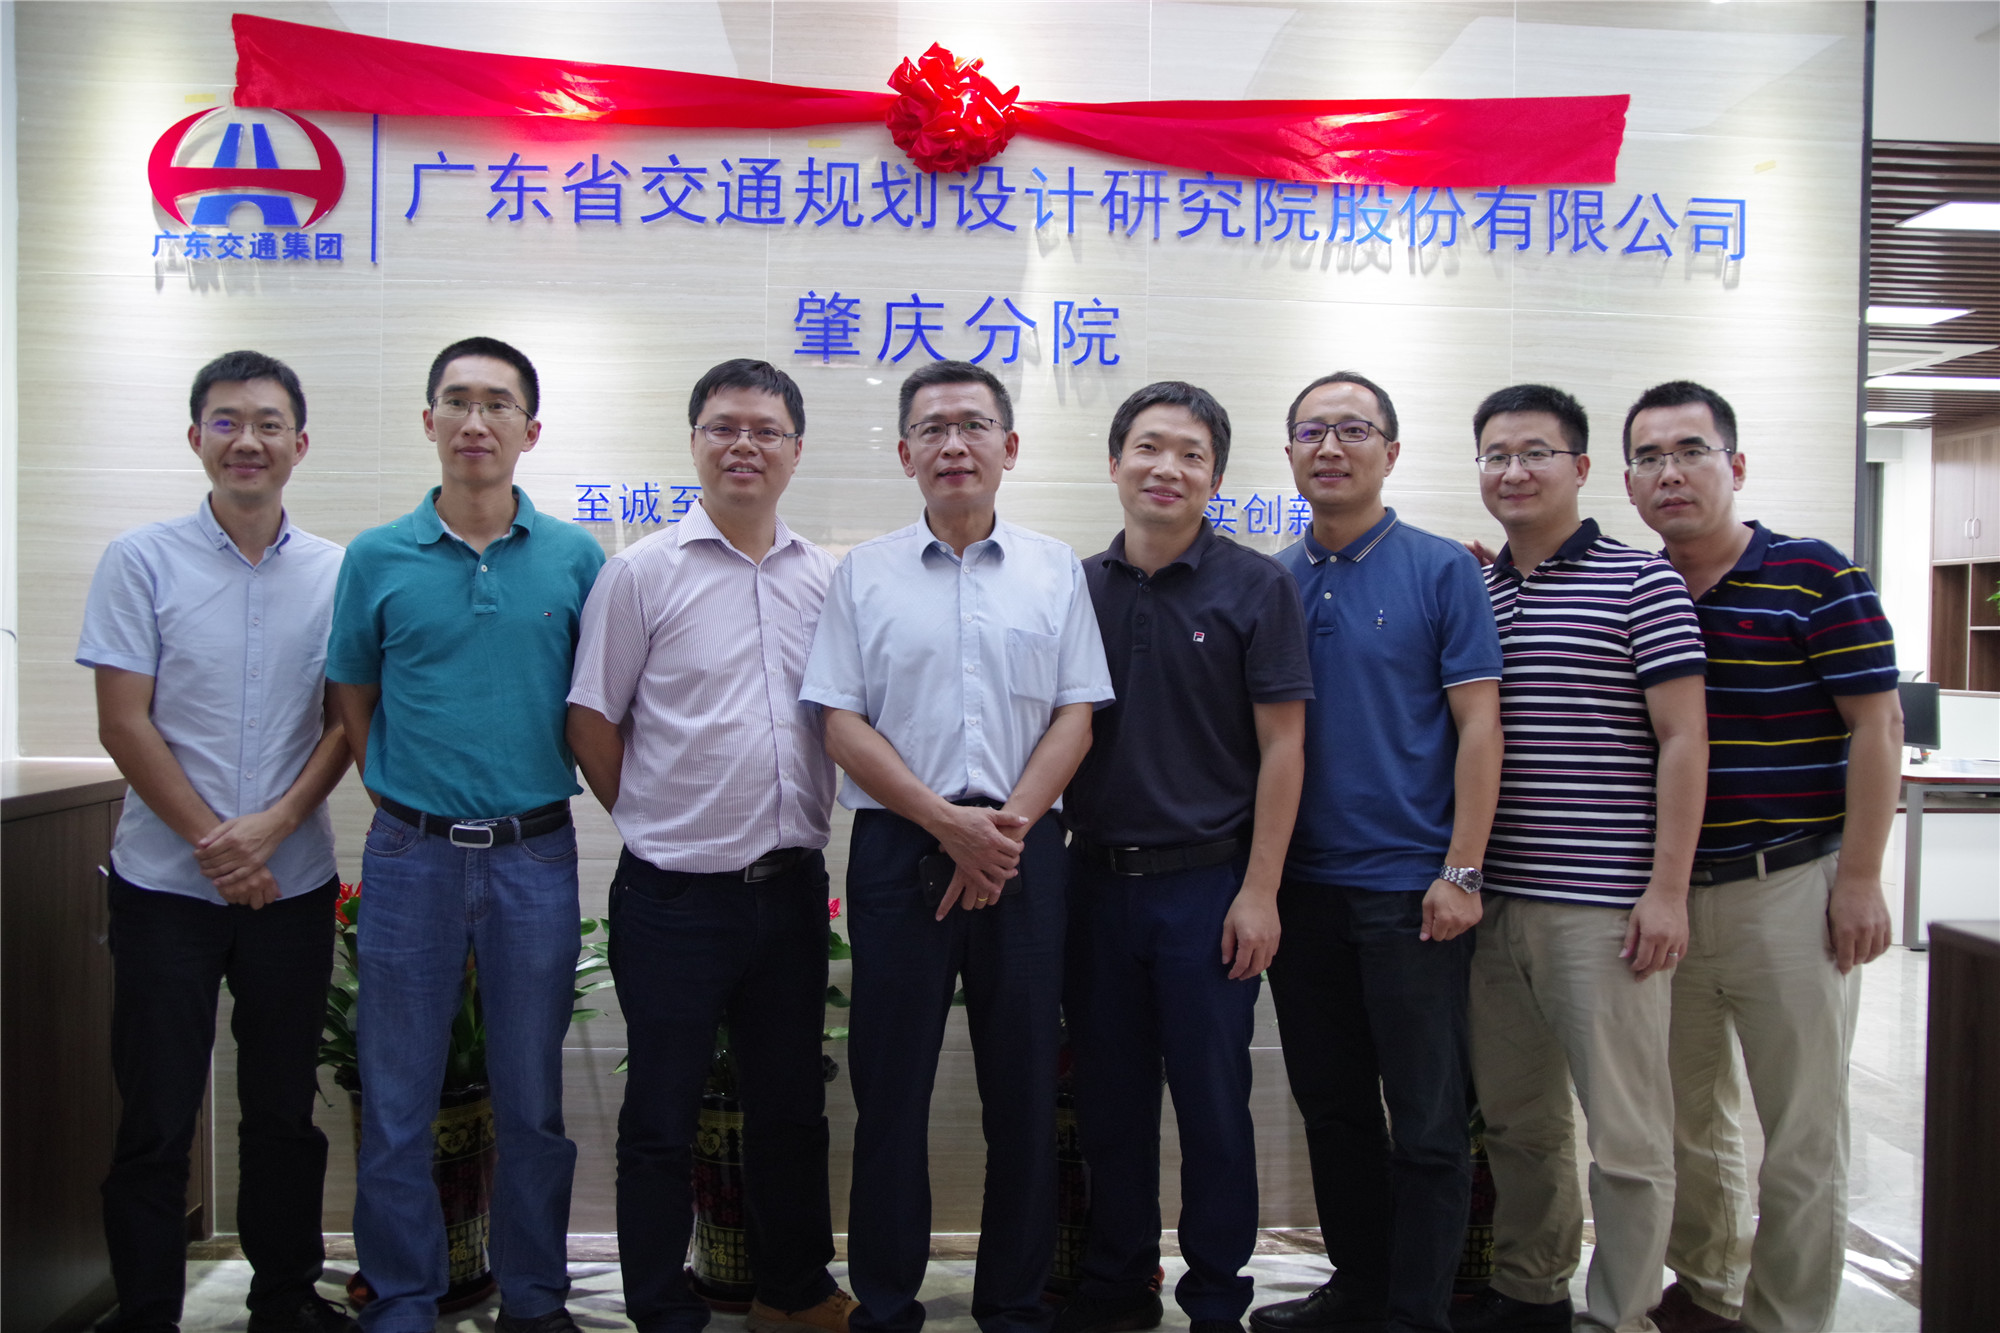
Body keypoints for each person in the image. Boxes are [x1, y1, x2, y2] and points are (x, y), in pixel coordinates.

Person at [800, 360, 1114, 1333]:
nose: (953, 445)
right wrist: (948, 825)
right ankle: (887, 1300)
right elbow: (838, 720)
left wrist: (1001, 830)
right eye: (931, 429)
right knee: (889, 1089)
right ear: (905, 454)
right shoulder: (864, 573)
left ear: (1008, 447)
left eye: (973, 426)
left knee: (1022, 1090)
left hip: (1024, 851)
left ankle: (1012, 1301)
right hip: (901, 850)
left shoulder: (1055, 569)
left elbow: (1077, 714)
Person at [566, 359, 853, 1333]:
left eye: (765, 430)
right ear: (693, 442)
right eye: (723, 426)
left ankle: (792, 1291)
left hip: (789, 890)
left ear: (795, 451)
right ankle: (658, 1303)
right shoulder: (641, 573)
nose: (743, 445)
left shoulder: (825, 579)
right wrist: (650, 818)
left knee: (790, 1108)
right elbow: (591, 717)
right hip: (673, 897)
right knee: (660, 1114)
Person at [326, 336, 606, 1333]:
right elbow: (352, 696)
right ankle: (404, 1297)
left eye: (497, 404)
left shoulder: (576, 557)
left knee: (532, 1100)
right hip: (412, 856)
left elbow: (597, 702)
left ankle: (533, 1298)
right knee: (398, 1096)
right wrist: (403, 794)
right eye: (456, 401)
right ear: (428, 420)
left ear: (531, 429)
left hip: (536, 852)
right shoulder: (375, 557)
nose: (475, 421)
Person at [78, 350, 355, 1333]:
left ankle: (284, 1300)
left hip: (292, 881)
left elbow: (345, 721)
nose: (248, 440)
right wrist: (214, 843)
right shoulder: (139, 560)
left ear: (299, 444)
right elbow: (124, 720)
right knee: (155, 1114)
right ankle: (149, 1309)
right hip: (164, 885)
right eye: (227, 421)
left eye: (268, 423)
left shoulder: (337, 572)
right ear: (196, 436)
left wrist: (273, 828)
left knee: (282, 1109)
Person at [1621, 382, 1899, 1333]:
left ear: (1734, 466)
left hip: (1791, 886)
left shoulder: (1813, 574)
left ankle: (1787, 1316)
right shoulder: (1639, 589)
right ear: (1627, 481)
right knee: (1685, 1118)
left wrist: (1859, 878)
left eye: (1690, 451)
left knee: (1802, 1128)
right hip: (1670, 898)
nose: (1670, 473)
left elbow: (1878, 727)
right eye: (1650, 458)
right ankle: (1706, 1290)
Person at [1449, 385, 1708, 1333]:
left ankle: (1621, 1312)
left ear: (1582, 468)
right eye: (1496, 455)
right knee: (1519, 1120)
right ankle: (1531, 1292)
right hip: (1493, 904)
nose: (1514, 471)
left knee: (1627, 1135)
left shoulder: (1642, 582)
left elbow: (1684, 739)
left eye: (1536, 453)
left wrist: (1666, 890)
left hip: (1604, 909)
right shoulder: (1475, 592)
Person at [1250, 371, 1504, 1333]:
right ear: (1288, 453)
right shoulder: (1271, 579)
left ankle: (1416, 1313)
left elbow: (1480, 727)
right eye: (1311, 430)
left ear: (1391, 452)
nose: (1330, 447)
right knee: (1334, 1108)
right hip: (1303, 894)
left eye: (1354, 429)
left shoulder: (1443, 570)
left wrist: (1461, 869)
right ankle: (1357, 1289)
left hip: (1412, 895)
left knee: (1430, 1124)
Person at [1056, 382, 1311, 1333]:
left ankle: (1214, 1297)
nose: (1168, 468)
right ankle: (1119, 1284)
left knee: (1213, 1105)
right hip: (1094, 883)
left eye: (1191, 454)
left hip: (1209, 886)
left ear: (1215, 476)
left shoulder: (1256, 585)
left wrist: (1260, 889)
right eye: (1149, 447)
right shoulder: (1073, 586)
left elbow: (1285, 745)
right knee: (1110, 1103)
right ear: (1114, 461)